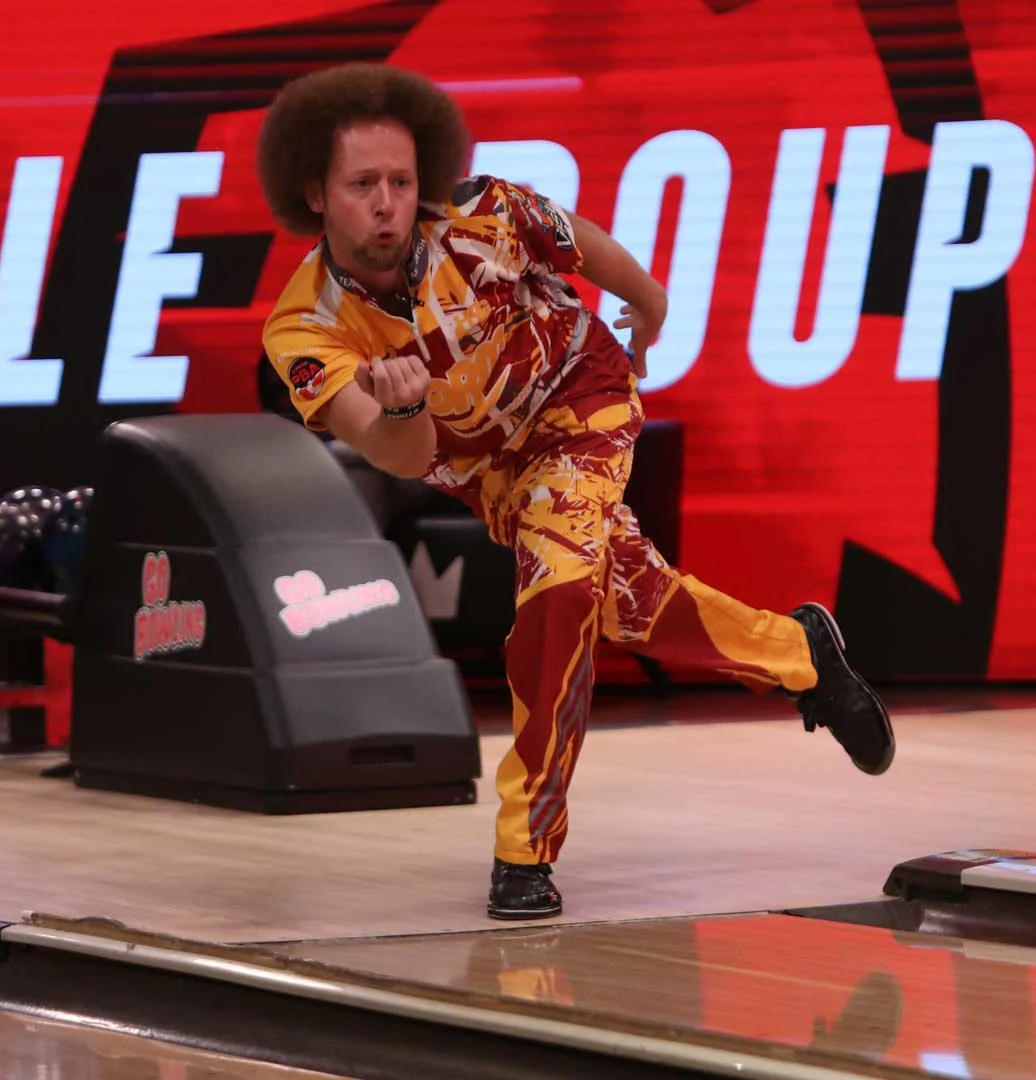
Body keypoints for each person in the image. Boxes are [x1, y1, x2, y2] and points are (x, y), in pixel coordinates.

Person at [256, 63, 894, 920]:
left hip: (579, 403)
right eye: (362, 184)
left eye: (401, 182)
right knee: (626, 602)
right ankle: (802, 655)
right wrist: (403, 403)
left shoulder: (481, 212)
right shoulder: (304, 327)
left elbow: (575, 240)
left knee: (557, 600)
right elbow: (397, 455)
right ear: (315, 193)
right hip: (485, 469)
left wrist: (649, 299)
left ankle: (525, 848)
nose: (387, 203)